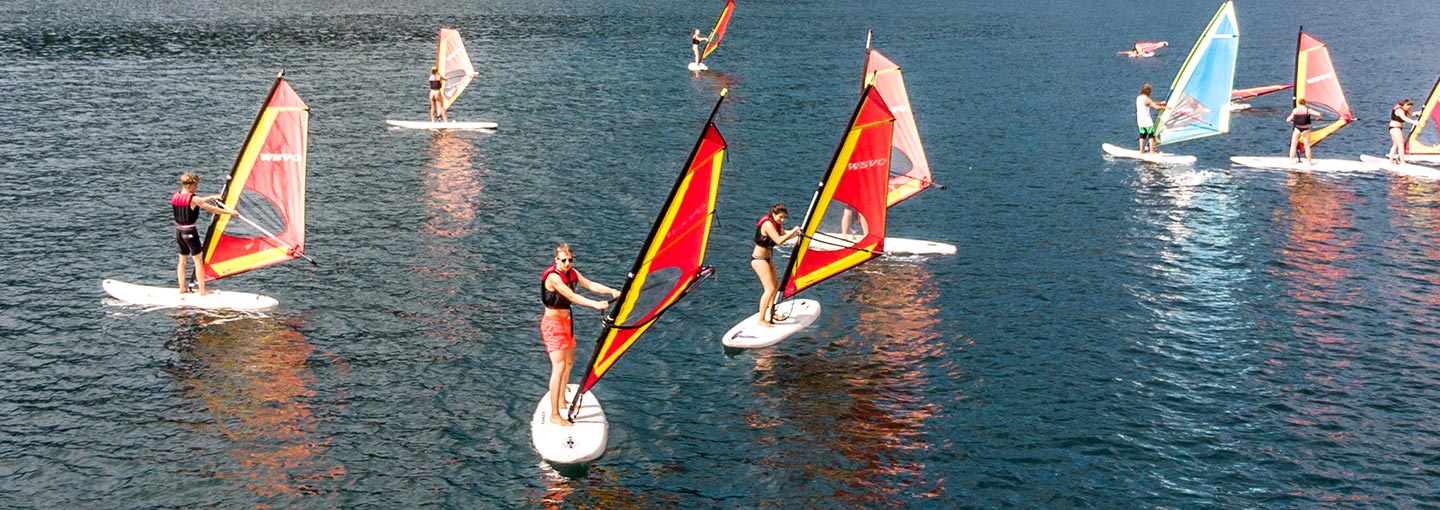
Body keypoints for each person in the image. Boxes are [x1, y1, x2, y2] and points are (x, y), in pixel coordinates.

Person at [539, 243, 619, 426]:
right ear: (556, 260)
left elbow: (590, 285)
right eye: (563, 260)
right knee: (558, 367)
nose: (567, 263)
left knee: (569, 363)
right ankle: (554, 415)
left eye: (570, 260)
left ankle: (561, 400)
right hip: (553, 325)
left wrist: (611, 290)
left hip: (567, 323)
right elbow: (571, 296)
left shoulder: (573, 273)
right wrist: (595, 305)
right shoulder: (553, 277)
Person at [171, 172, 237, 295]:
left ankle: (181, 289)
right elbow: (213, 209)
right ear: (189, 186)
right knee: (198, 261)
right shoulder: (194, 198)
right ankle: (202, 290)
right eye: (196, 186)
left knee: (182, 261)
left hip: (179, 232)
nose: (197, 188)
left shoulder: (175, 196)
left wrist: (212, 197)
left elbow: (196, 201)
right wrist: (231, 213)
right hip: (190, 232)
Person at [750, 204, 801, 327]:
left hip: (768, 258)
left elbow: (784, 234)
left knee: (775, 286)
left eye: (784, 218)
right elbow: (779, 240)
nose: (782, 220)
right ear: (773, 214)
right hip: (759, 259)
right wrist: (794, 231)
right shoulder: (767, 224)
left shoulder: (776, 224)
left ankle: (772, 313)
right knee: (769, 289)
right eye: (780, 217)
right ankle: (761, 318)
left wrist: (800, 232)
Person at [1286, 98, 1322, 165]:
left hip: (1297, 129)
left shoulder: (1295, 110)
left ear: (1299, 103)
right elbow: (1318, 114)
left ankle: (1291, 161)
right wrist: (1318, 118)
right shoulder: (1307, 110)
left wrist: (1293, 120)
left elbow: (1288, 119)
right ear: (1305, 103)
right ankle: (1309, 162)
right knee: (1307, 146)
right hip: (1305, 130)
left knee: (1293, 145)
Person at [1135, 83, 1167, 153]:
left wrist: (1160, 103)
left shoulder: (1138, 98)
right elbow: (1156, 107)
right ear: (1148, 92)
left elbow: (1150, 103)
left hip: (1140, 121)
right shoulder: (1147, 100)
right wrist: (1166, 108)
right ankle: (1152, 151)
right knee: (1151, 136)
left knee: (1142, 135)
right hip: (1147, 121)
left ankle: (1141, 150)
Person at [1387, 98, 1420, 163]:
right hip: (1395, 128)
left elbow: (1411, 114)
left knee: (1395, 145)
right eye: (1408, 108)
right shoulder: (1399, 110)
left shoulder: (1404, 109)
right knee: (1401, 145)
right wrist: (1414, 122)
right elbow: (1404, 118)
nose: (1409, 109)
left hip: (1393, 128)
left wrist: (1418, 113)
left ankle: (1390, 161)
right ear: (1405, 104)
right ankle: (1402, 162)